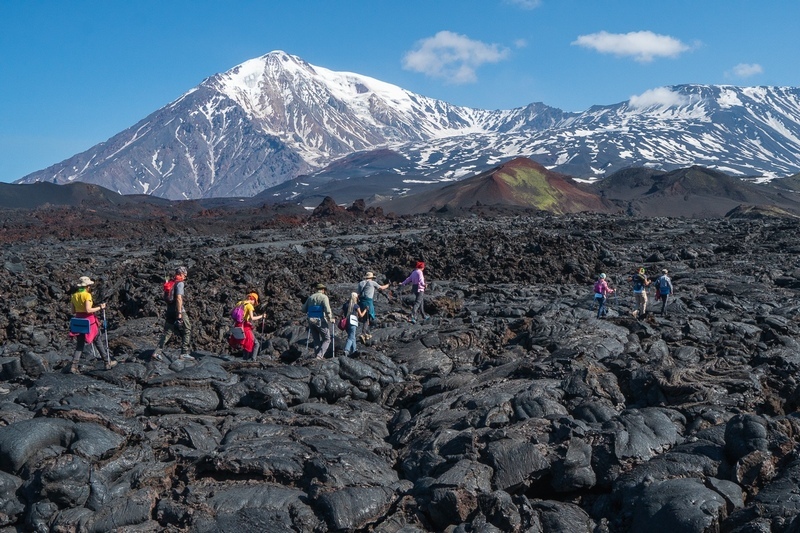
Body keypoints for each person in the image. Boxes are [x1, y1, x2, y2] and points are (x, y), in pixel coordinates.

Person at [69, 276, 117, 373]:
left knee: (80, 344)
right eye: (89, 286)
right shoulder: (87, 295)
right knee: (98, 340)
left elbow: (73, 311)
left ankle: (74, 366)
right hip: (89, 321)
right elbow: (88, 310)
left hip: (78, 321)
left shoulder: (74, 296)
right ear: (87, 286)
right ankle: (107, 362)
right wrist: (100, 307)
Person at [152, 266, 194, 361]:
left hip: (169, 310)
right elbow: (179, 298)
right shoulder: (180, 284)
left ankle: (156, 352)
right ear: (181, 274)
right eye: (184, 274)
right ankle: (184, 352)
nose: (185, 276)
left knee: (168, 332)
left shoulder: (171, 282)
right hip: (178, 310)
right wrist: (179, 314)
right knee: (187, 328)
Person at [301, 283, 333, 359]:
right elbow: (327, 309)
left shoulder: (310, 297)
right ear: (323, 290)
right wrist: (330, 318)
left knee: (316, 339)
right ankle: (319, 355)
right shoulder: (324, 297)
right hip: (320, 319)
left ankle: (316, 355)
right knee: (327, 339)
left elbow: (303, 309)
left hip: (311, 320)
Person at [228, 292, 264, 360]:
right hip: (245, 327)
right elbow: (252, 318)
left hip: (237, 325)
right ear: (252, 299)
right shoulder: (249, 306)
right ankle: (253, 360)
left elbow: (230, 312)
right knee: (256, 344)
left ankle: (245, 360)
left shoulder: (240, 303)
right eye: (255, 301)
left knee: (245, 344)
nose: (254, 303)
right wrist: (262, 316)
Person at [357, 271, 389, 341]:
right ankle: (363, 333)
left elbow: (358, 294)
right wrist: (388, 285)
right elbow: (381, 288)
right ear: (371, 277)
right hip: (368, 302)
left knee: (365, 317)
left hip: (361, 302)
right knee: (368, 318)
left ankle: (367, 333)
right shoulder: (372, 283)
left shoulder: (361, 283)